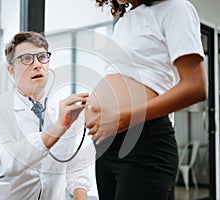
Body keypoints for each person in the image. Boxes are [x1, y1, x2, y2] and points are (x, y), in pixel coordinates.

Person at [85, 0, 208, 199]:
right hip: (106, 148)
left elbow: (196, 87)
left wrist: (126, 117)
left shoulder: (176, 8)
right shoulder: (122, 22)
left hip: (143, 144)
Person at [0, 31, 91, 200]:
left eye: (42, 57)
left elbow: (75, 166)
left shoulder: (62, 109)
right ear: (11, 70)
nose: (37, 64)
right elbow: (5, 162)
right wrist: (57, 128)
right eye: (26, 59)